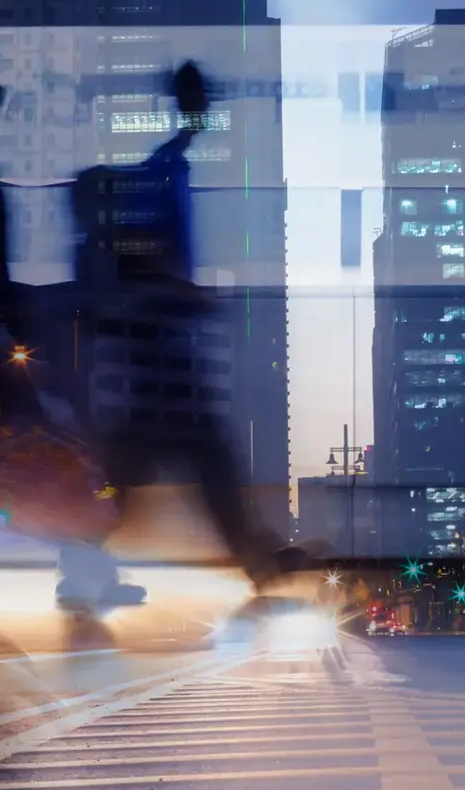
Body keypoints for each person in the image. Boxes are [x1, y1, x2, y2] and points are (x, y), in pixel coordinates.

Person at [72, 61, 298, 595]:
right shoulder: (113, 258)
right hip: (152, 385)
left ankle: (256, 563)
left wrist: (190, 123)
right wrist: (181, 290)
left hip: (161, 384)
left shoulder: (118, 243)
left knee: (186, 475)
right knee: (168, 476)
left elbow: (165, 165)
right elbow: (129, 287)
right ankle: (84, 574)